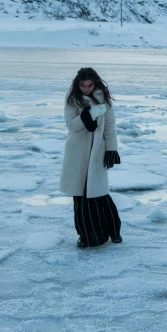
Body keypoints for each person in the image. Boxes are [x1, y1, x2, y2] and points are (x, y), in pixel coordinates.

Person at [59, 67, 122, 248]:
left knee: (98, 194)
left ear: (95, 83)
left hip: (97, 152)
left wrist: (112, 150)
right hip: (77, 153)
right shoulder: (72, 98)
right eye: (83, 85)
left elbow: (109, 127)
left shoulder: (104, 99)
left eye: (89, 85)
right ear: (78, 84)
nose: (86, 88)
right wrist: (90, 113)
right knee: (80, 196)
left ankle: (113, 230)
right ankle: (85, 235)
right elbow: (71, 124)